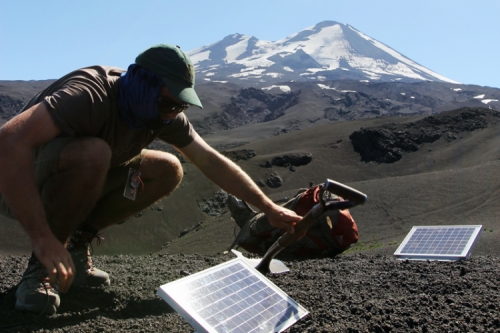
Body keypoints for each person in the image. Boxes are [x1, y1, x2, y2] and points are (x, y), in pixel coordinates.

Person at [0, 44, 301, 314]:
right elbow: (9, 142)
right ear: (145, 85)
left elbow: (209, 160)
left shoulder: (159, 111)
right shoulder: (90, 94)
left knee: (168, 168)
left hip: (76, 181)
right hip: (16, 185)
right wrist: (43, 240)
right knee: (94, 153)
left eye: (181, 106)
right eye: (170, 104)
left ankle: (76, 247)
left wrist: (268, 208)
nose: (173, 114)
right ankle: (40, 270)